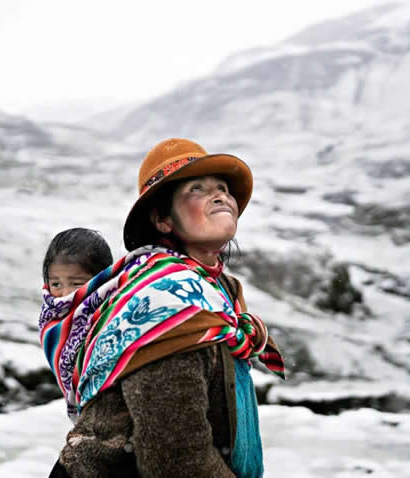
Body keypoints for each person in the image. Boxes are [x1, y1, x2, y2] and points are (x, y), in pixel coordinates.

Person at [40, 138, 285, 478]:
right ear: (162, 219)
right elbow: (176, 460)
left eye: (223, 187)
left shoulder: (218, 289)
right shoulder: (163, 300)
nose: (220, 196)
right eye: (196, 188)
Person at [41, 227, 114, 297]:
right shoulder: (50, 309)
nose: (65, 294)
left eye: (77, 283)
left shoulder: (117, 308)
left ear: (104, 281)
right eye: (56, 284)